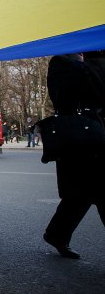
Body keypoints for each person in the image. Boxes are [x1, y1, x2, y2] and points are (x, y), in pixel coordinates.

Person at [42, 52, 105, 259]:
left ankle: (57, 234)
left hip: (95, 133)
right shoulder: (63, 61)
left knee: (80, 194)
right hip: (79, 135)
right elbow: (62, 96)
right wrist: (84, 64)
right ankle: (57, 234)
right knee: (87, 191)